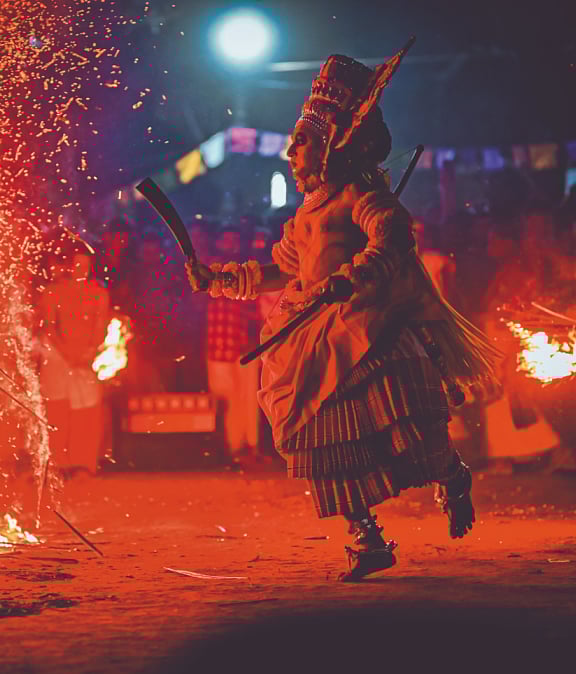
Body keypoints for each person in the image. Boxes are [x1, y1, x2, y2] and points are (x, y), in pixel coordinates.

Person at [184, 47, 500, 580]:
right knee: (324, 441)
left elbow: (393, 237)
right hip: (310, 338)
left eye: (301, 139)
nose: (289, 149)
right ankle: (366, 538)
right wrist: (219, 280)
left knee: (411, 437)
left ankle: (452, 474)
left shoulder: (361, 193)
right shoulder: (305, 214)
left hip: (367, 329)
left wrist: (354, 275)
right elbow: (282, 270)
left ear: (330, 144)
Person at [36, 242, 109, 478]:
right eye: (77, 265)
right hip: (58, 360)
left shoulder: (98, 293)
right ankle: (58, 464)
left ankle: (84, 464)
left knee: (86, 413)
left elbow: (100, 326)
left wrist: (89, 352)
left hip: (85, 360)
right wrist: (66, 353)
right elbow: (49, 327)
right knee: (56, 412)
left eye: (85, 265)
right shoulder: (53, 292)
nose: (81, 270)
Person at [203, 224, 259, 461]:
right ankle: (233, 448)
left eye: (233, 239)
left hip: (243, 345)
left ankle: (250, 447)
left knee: (248, 401)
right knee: (228, 401)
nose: (229, 244)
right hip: (217, 347)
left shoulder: (249, 270)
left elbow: (256, 309)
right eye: (226, 239)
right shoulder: (209, 271)